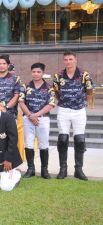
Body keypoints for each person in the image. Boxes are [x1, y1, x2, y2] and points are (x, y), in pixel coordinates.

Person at [53, 50, 93, 181]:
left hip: (79, 111)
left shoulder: (84, 75)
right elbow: (57, 92)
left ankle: (78, 169)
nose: (68, 62)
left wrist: (82, 103)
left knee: (80, 140)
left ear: (75, 59)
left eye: (70, 59)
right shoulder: (58, 75)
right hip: (64, 110)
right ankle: (63, 169)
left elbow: (89, 91)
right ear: (63, 60)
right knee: (63, 139)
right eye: (66, 59)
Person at [19, 63, 55, 179]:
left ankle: (44, 170)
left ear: (43, 73)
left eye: (38, 72)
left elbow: (51, 104)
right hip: (28, 118)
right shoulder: (25, 86)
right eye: (34, 72)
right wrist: (30, 115)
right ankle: (31, 169)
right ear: (31, 72)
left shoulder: (49, 88)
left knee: (43, 144)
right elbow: (21, 102)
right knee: (29, 143)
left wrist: (36, 115)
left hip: (43, 119)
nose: (36, 74)